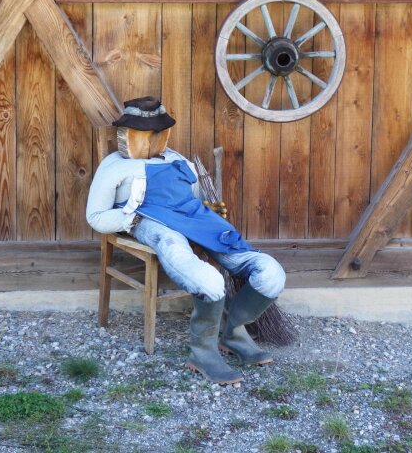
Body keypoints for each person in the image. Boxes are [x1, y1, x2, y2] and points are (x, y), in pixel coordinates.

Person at [85, 96, 286, 385]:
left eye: (135, 131)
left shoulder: (178, 160)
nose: (123, 137)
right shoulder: (114, 166)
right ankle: (203, 352)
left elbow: (194, 198)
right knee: (205, 277)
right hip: (153, 223)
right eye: (124, 131)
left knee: (270, 274)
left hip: (194, 219)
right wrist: (132, 219)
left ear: (159, 135)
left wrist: (209, 210)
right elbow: (96, 216)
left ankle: (234, 333)